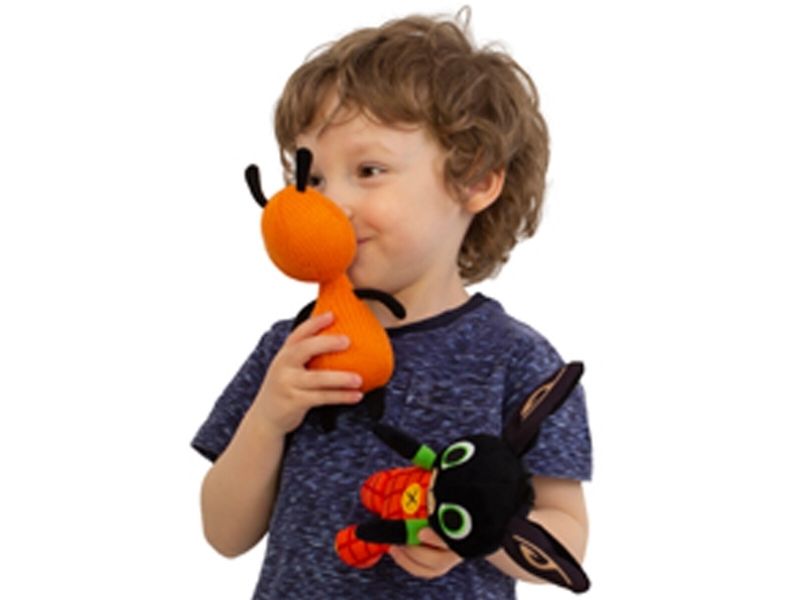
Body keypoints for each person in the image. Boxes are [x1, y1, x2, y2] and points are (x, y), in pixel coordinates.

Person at [191, 8, 592, 599]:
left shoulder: (517, 360)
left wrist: (471, 533)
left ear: (476, 179)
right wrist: (268, 419)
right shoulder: (293, 347)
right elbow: (224, 533)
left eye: (369, 170)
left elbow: (568, 534)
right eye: (314, 179)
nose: (331, 204)